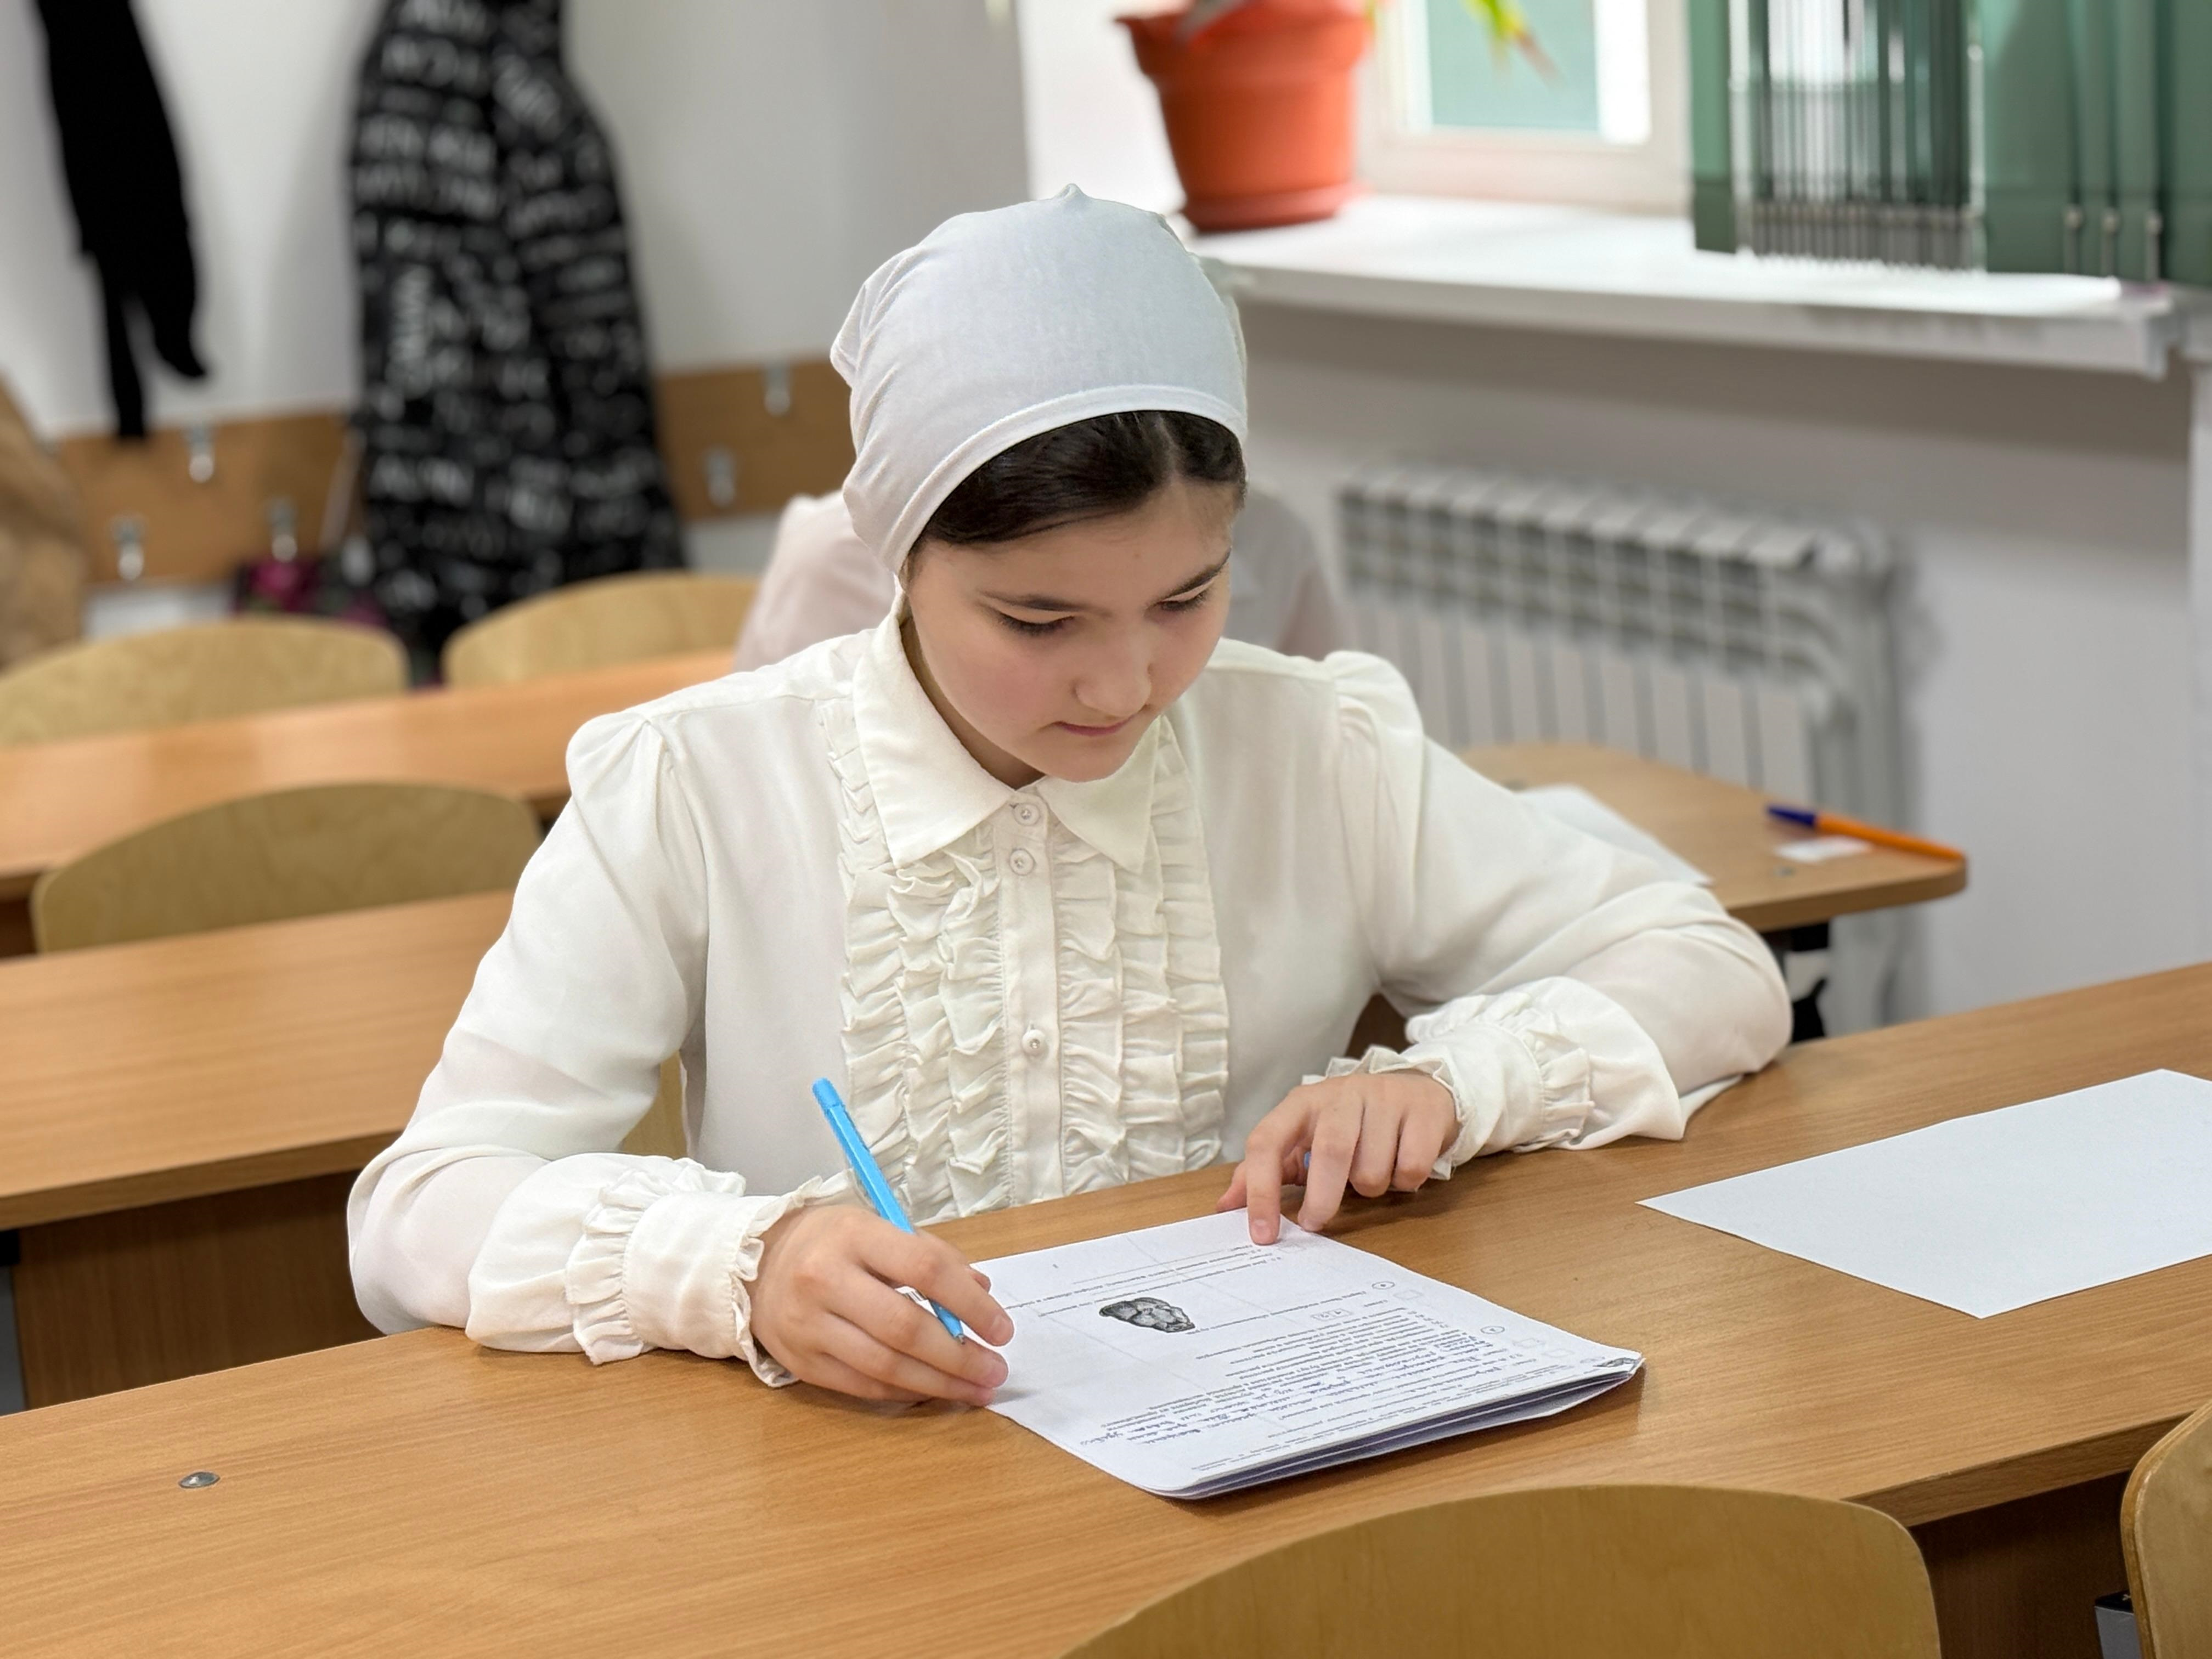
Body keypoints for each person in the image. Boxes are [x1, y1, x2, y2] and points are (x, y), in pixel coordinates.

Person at [349, 190, 1789, 1411]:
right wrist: (743, 1265)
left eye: (1188, 598)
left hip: (1250, 1422)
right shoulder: (698, 784)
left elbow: (1709, 968)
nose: (1125, 682)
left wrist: (1449, 1084)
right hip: (860, 1485)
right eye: (1038, 622)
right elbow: (417, 1212)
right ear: (900, 553)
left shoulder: (1311, 744)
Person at [732, 481, 1346, 670]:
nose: (1121, 694)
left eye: (1184, 600)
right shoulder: (834, 566)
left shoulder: (1274, 539)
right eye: (1040, 623)